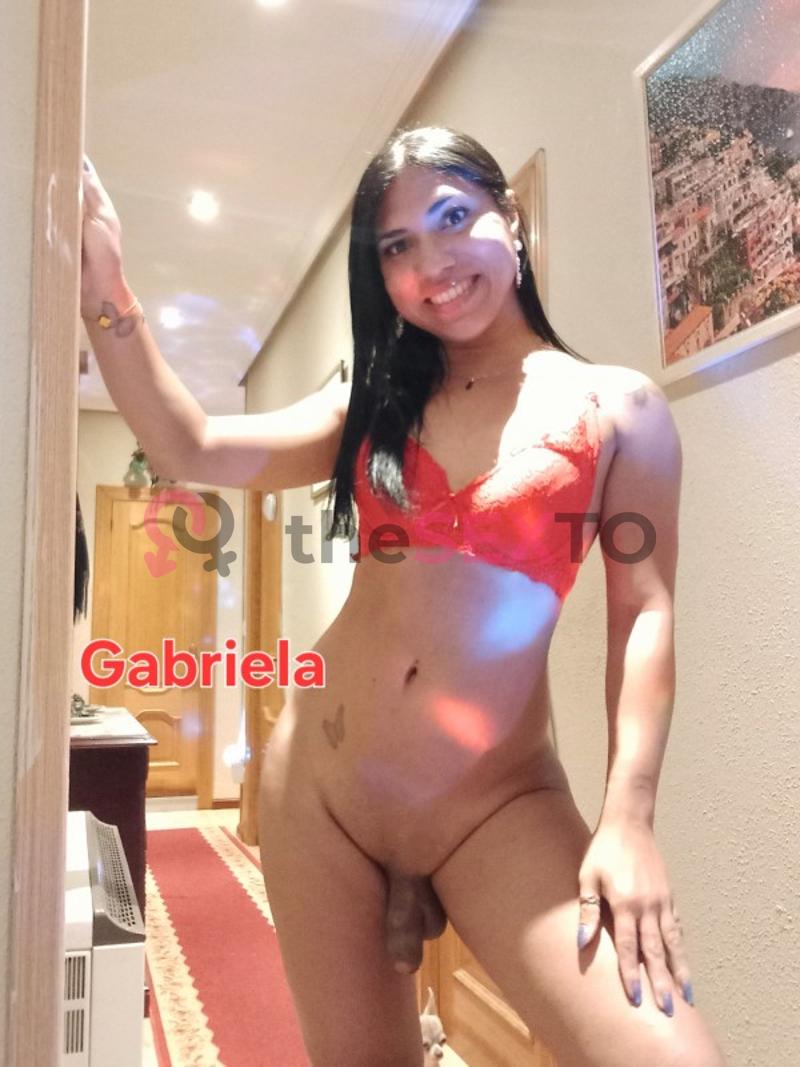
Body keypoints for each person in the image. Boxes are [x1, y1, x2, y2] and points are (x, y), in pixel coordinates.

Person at [80, 127, 726, 1066]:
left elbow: (646, 614)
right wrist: (106, 289)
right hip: (324, 793)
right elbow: (191, 447)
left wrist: (629, 818)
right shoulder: (373, 404)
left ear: (510, 219)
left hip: (494, 803)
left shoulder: (620, 411)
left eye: (454, 218)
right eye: (397, 246)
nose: (433, 263)